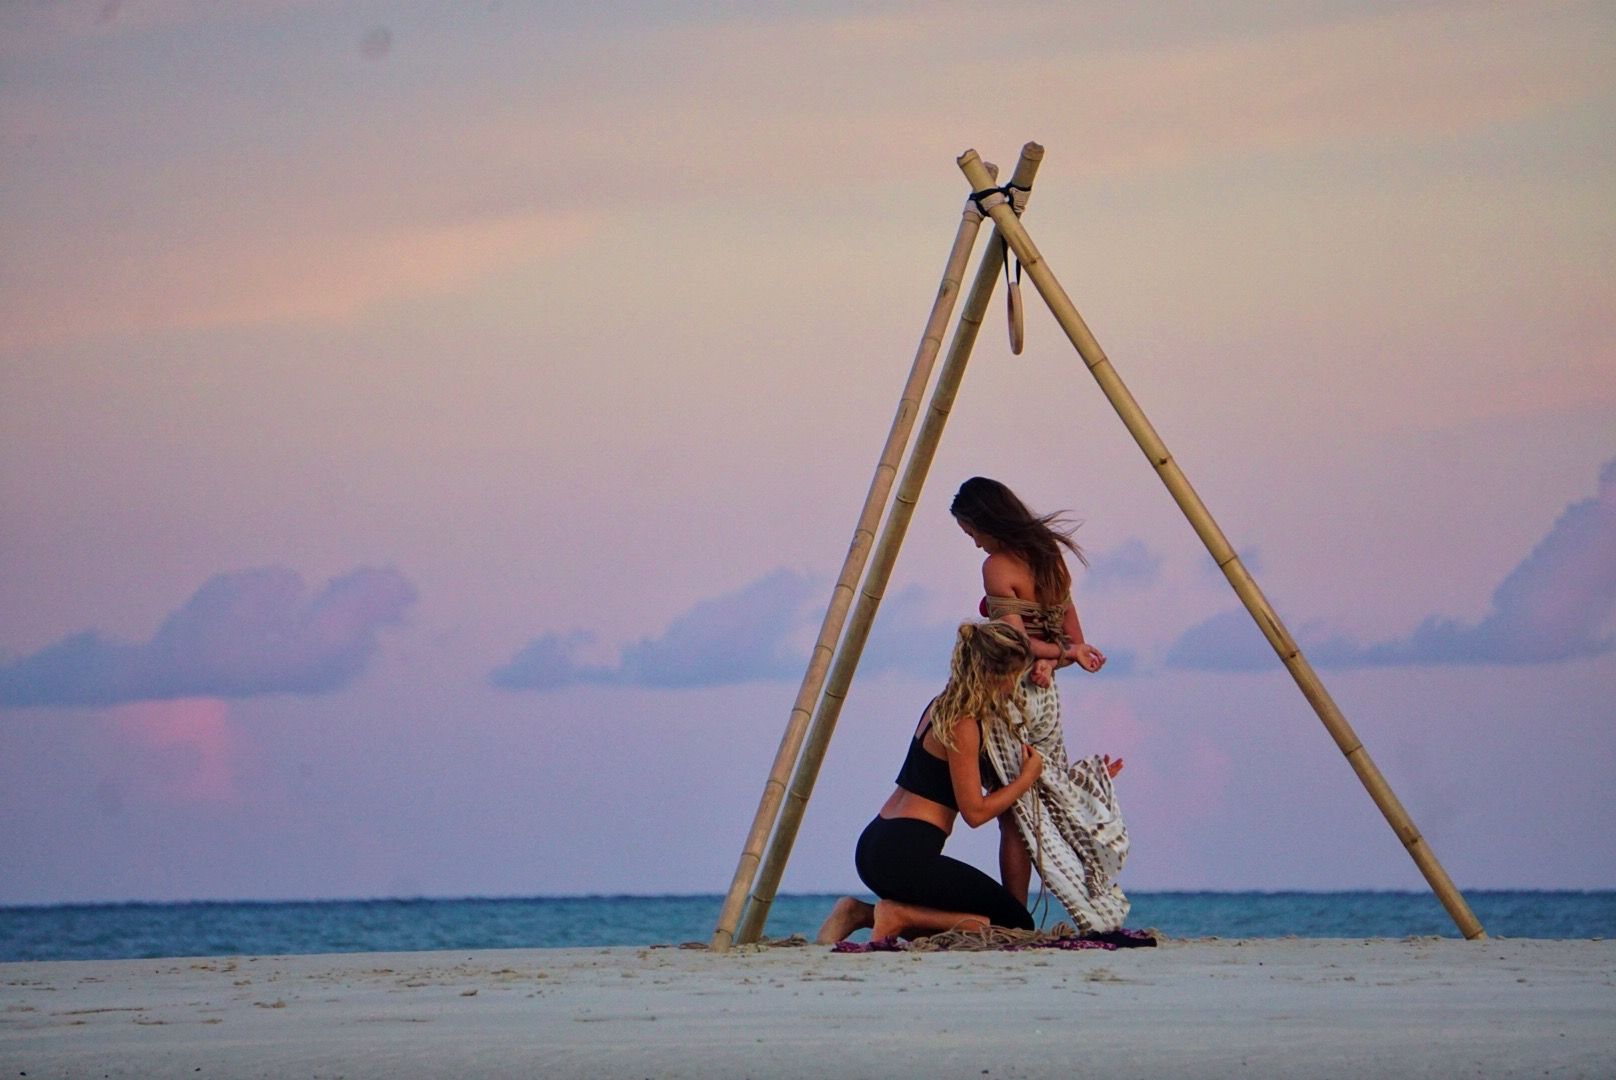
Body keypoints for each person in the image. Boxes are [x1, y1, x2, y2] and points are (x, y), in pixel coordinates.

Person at [950, 476, 1132, 934]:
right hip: (1047, 698)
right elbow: (1072, 642)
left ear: (988, 521)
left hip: (1007, 692)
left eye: (973, 532)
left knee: (1015, 815)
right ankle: (1085, 893)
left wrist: (1054, 655)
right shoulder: (1050, 558)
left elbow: (1014, 644)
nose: (975, 543)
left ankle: (1016, 919)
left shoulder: (997, 566)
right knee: (1045, 799)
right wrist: (1058, 658)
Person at [816, 621, 1043, 944]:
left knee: (995, 921)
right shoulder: (963, 722)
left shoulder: (941, 706)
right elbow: (975, 812)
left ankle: (860, 913)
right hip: (904, 855)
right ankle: (898, 915)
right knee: (1016, 925)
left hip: (877, 845)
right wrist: (1027, 778)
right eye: (1016, 676)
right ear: (995, 674)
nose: (1015, 686)